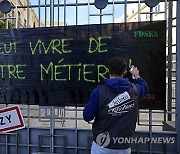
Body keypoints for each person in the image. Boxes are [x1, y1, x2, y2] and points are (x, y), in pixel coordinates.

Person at [83, 57, 148, 154]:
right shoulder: (135, 90)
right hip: (124, 146)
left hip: (102, 145)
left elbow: (87, 116)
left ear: (107, 70)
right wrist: (136, 75)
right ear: (125, 72)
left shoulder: (98, 92)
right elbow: (145, 87)